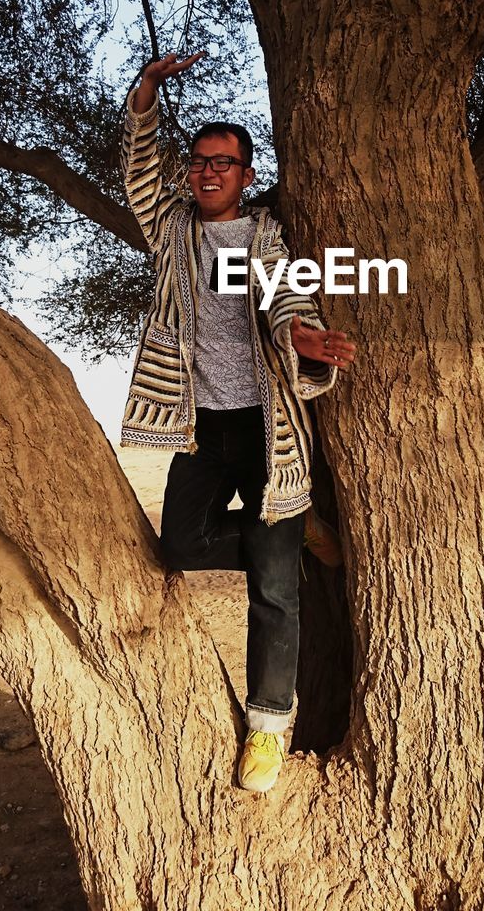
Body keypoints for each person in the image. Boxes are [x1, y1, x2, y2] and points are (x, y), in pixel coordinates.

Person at [120, 50, 357, 792]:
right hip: (202, 426)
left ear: (247, 175)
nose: (207, 172)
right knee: (183, 545)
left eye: (223, 163)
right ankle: (295, 537)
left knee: (275, 594)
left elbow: (288, 299)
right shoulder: (172, 229)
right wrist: (148, 92)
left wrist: (303, 338)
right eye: (198, 162)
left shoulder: (265, 237)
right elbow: (136, 171)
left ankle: (267, 727)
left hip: (265, 427)